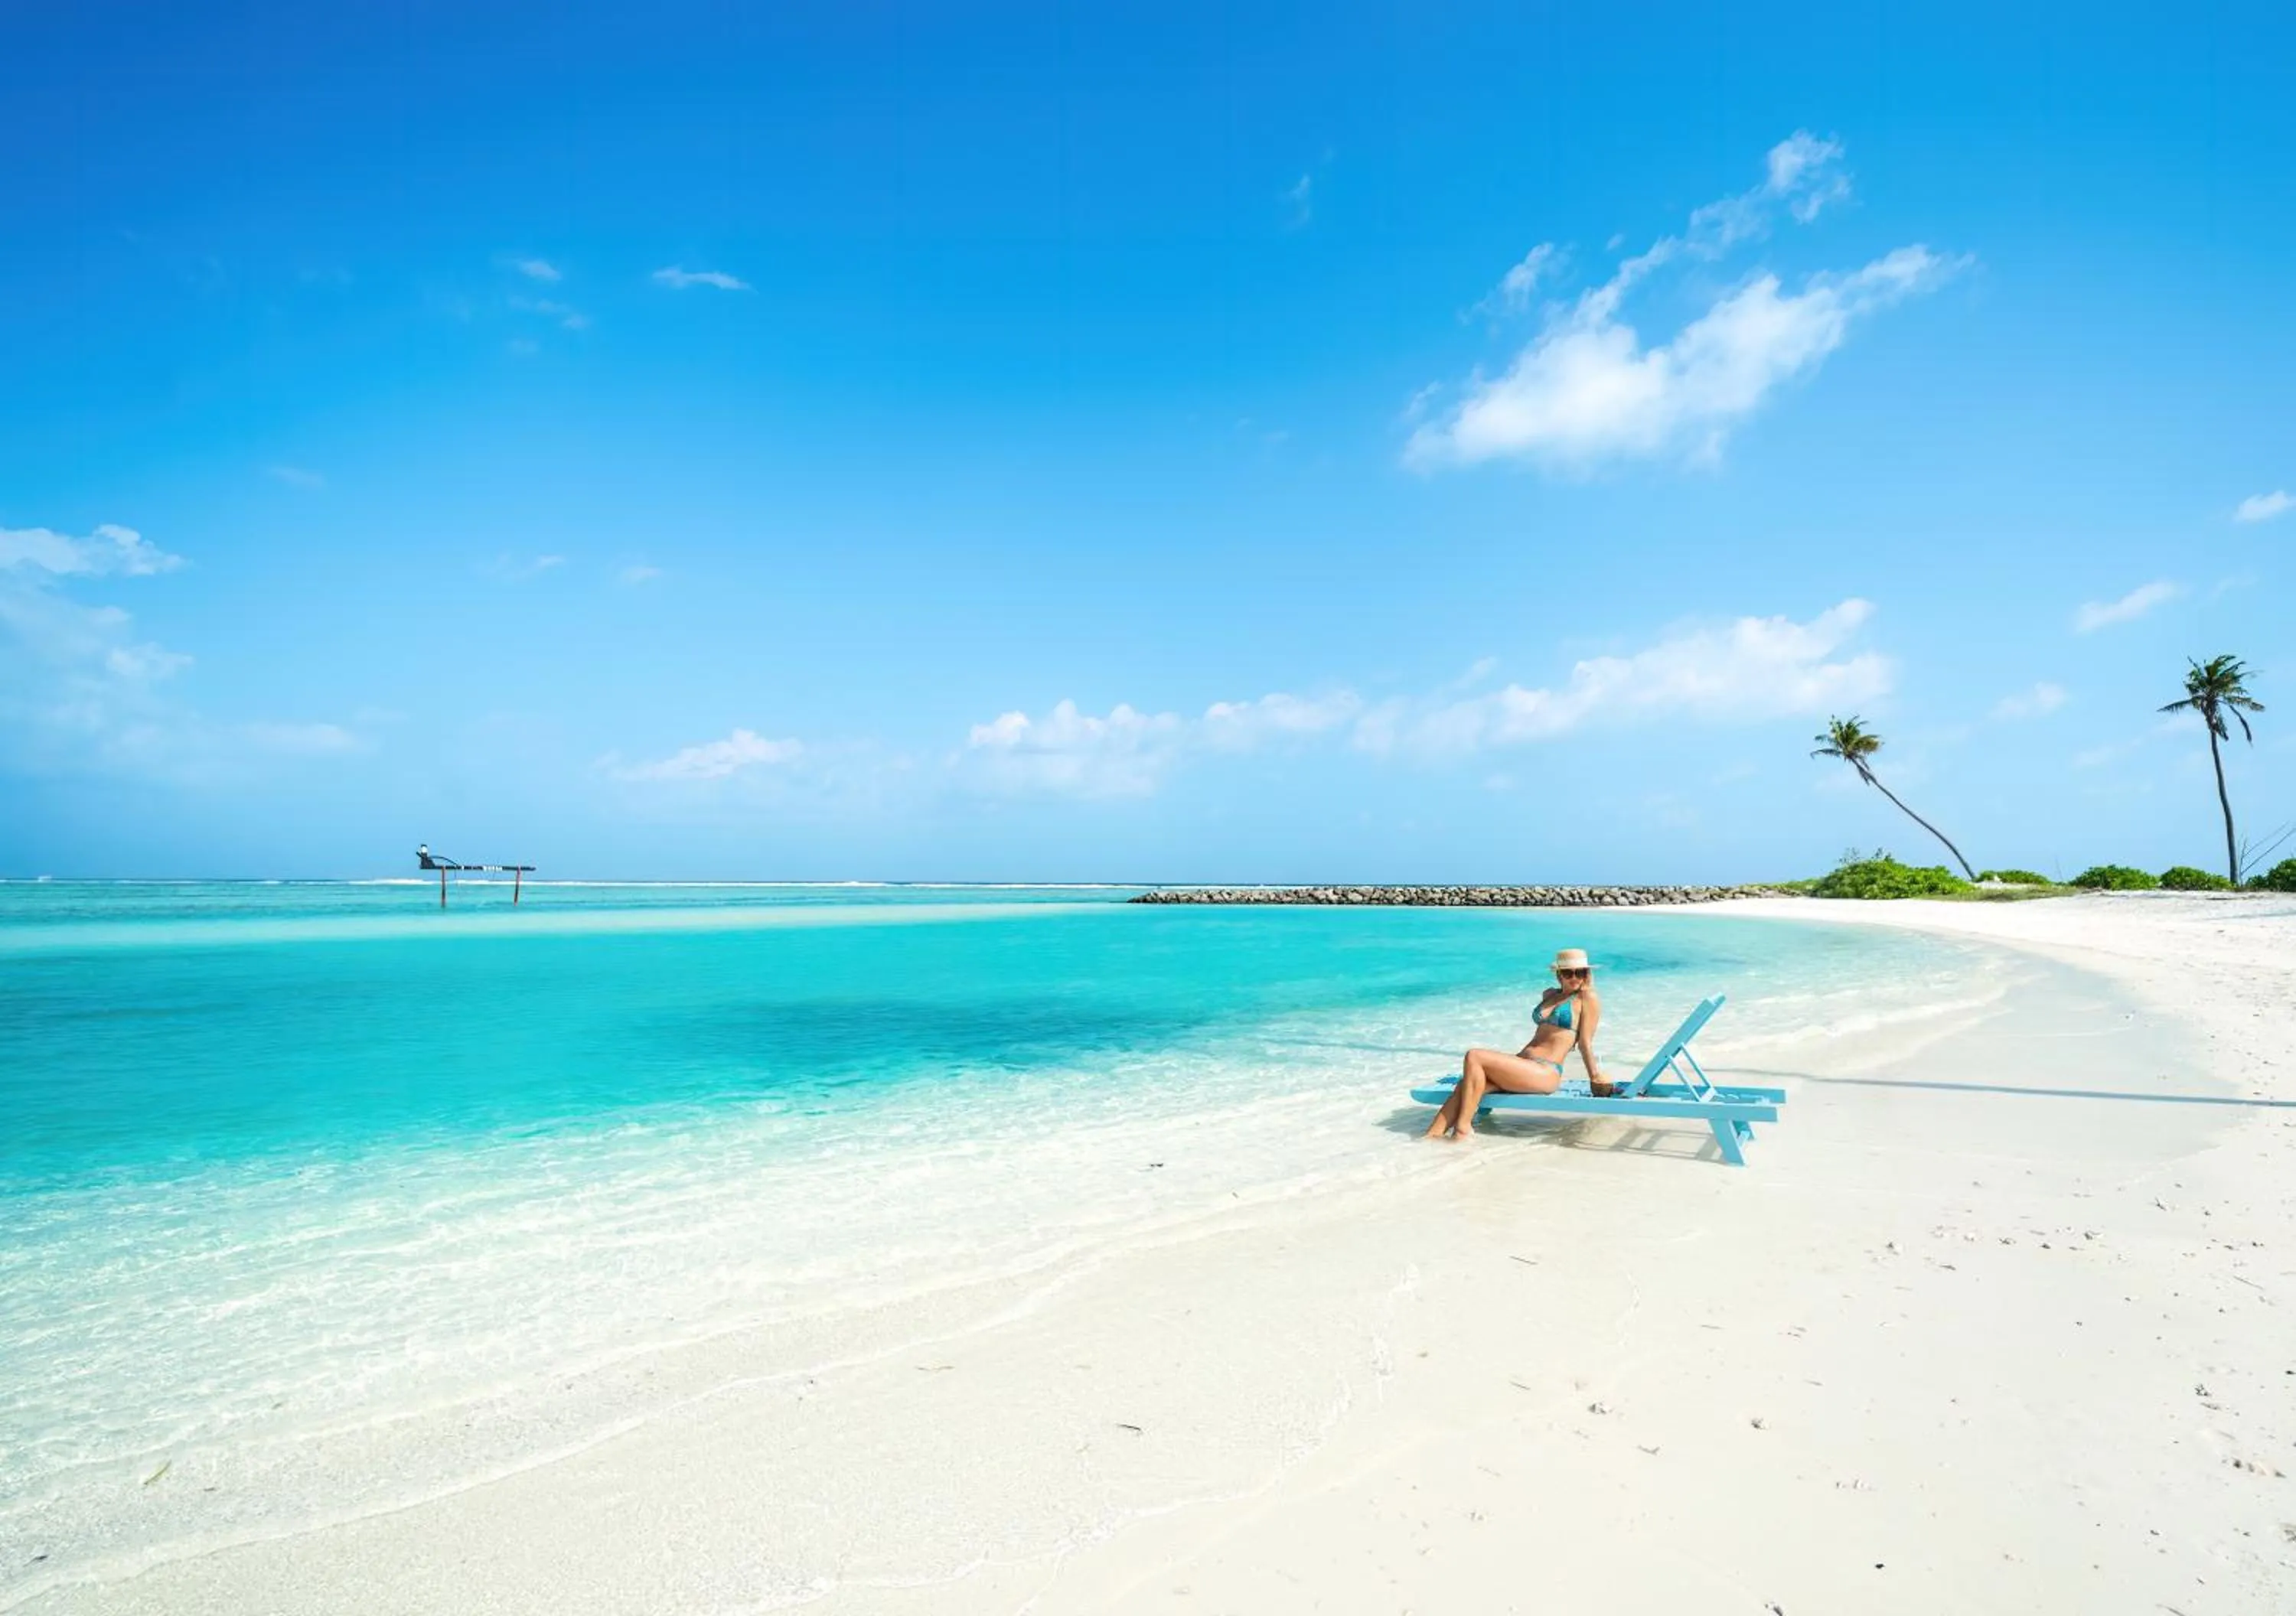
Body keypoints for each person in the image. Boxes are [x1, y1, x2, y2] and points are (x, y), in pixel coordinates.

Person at [1424, 948, 1610, 1140]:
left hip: (1545, 1072)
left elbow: (1585, 1043)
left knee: (1474, 1056)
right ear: (1558, 975)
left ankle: (1463, 1129)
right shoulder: (1549, 995)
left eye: (1580, 972)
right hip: (1523, 1065)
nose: (1574, 978)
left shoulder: (1587, 998)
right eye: (1568, 973)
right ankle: (1430, 1138)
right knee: (1466, 1085)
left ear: (1587, 974)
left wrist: (1595, 1077)